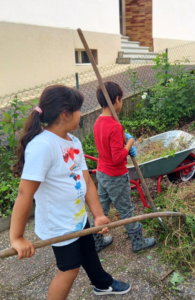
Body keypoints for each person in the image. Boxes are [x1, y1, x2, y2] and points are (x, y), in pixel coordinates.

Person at [10, 85, 131, 299]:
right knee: (69, 270)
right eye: (78, 109)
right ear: (65, 114)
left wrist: (98, 215)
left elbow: (86, 180)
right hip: (59, 226)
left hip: (77, 217)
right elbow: (24, 194)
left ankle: (102, 284)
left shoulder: (73, 141)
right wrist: (17, 237)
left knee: (88, 251)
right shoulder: (43, 146)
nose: (81, 114)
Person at [92, 81, 156, 253]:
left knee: (101, 209)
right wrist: (129, 143)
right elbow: (117, 158)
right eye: (122, 99)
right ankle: (138, 242)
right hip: (115, 176)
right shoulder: (115, 126)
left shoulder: (98, 122)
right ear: (117, 99)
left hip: (101, 173)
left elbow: (106, 147)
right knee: (126, 209)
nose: (122, 102)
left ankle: (96, 241)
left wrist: (122, 138)